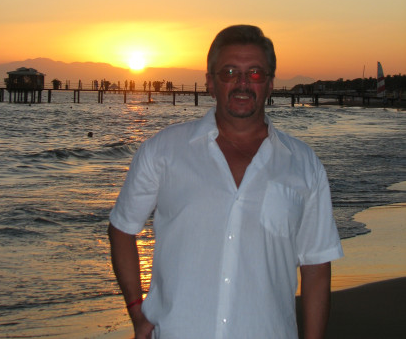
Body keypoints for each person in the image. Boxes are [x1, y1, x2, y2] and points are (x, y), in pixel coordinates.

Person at [108, 25, 343, 339]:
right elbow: (122, 227)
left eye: (255, 73)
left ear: (270, 84)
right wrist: (137, 310)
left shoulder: (303, 164)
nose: (242, 83)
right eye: (230, 72)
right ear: (210, 82)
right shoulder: (163, 151)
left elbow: (316, 265)